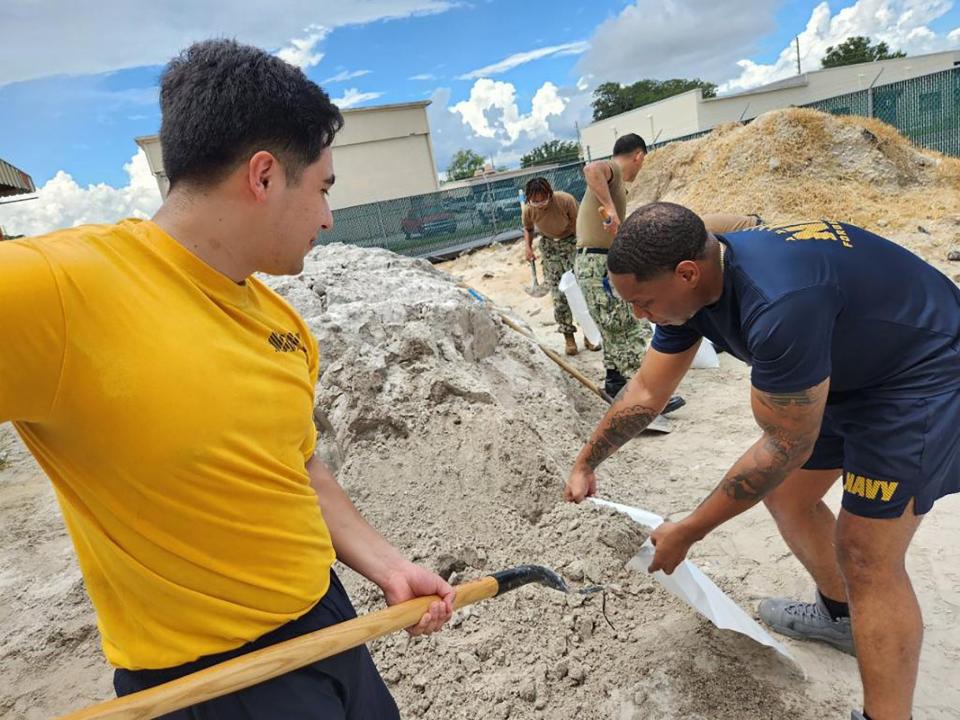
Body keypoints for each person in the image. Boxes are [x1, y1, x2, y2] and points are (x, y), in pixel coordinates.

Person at [0, 39, 454, 718]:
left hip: (326, 625)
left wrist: (387, 566)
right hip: (210, 683)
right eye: (324, 188)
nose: (329, 217)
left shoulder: (279, 322)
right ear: (265, 175)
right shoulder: (60, 290)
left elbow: (296, 464)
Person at [564, 203, 960, 720]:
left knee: (867, 556)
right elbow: (645, 390)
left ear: (686, 273)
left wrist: (689, 530)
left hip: (920, 376)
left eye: (643, 302)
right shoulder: (692, 290)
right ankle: (842, 618)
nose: (640, 316)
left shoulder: (778, 304)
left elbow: (783, 445)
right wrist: (586, 462)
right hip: (845, 368)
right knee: (789, 495)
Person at [575, 133, 761, 397]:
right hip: (597, 260)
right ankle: (642, 393)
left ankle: (616, 380)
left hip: (595, 259)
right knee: (625, 324)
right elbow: (591, 168)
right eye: (642, 163)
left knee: (612, 322)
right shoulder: (613, 170)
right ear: (638, 156)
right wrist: (611, 209)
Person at [522, 176, 599, 356]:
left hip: (572, 243)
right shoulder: (528, 210)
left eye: (543, 199)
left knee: (581, 290)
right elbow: (528, 229)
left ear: (550, 193)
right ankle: (568, 336)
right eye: (535, 201)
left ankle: (590, 335)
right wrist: (528, 247)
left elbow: (580, 223)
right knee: (559, 295)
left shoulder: (565, 200)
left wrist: (582, 248)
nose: (540, 204)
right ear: (529, 198)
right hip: (550, 248)